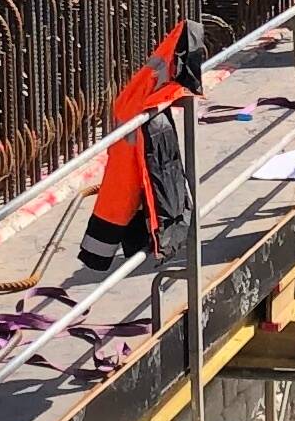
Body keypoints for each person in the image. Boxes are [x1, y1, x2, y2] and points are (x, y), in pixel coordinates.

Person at [77, 19, 204, 280]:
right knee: (122, 196)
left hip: (134, 143)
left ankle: (101, 254)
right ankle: (99, 255)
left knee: (122, 196)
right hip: (132, 150)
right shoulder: (151, 89)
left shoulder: (153, 80)